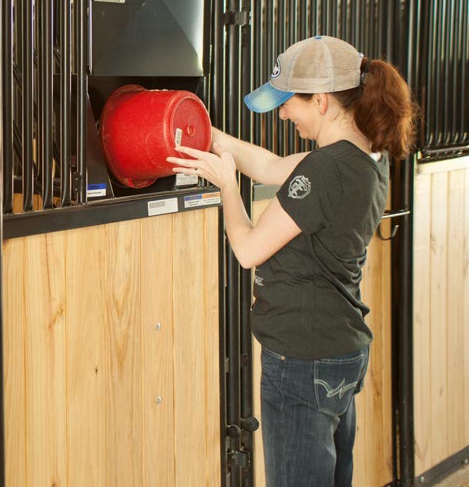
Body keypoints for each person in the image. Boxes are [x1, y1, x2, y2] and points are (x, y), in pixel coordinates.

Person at [167, 35, 417, 487]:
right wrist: (207, 133)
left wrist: (226, 185)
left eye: (288, 103)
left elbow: (246, 249)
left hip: (302, 360)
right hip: (340, 351)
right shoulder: (366, 156)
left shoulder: (324, 171)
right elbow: (269, 167)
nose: (282, 114)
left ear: (320, 101)